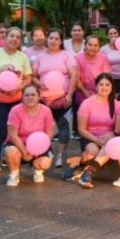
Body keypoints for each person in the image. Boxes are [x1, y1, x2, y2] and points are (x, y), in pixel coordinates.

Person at [0, 27, 33, 173]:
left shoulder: (23, 57)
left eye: (17, 37)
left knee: (15, 131)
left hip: (15, 100)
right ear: (6, 37)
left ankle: (13, 157)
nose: (14, 39)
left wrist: (20, 87)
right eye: (12, 36)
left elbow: (28, 77)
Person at [32, 28, 77, 167]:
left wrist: (69, 94)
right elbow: (33, 76)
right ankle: (48, 151)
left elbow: (74, 75)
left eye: (57, 38)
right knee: (43, 127)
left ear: (61, 41)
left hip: (62, 98)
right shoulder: (40, 57)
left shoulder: (66, 56)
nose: (53, 41)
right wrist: (40, 84)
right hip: (44, 99)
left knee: (63, 126)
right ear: (47, 38)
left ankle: (60, 156)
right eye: (51, 38)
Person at [75, 73, 120, 188]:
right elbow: (81, 129)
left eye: (107, 85)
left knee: (110, 146)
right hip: (90, 137)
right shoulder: (87, 103)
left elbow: (117, 129)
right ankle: (81, 164)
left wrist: (111, 134)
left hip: (108, 138)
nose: (104, 87)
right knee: (92, 152)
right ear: (96, 87)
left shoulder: (117, 105)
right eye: (101, 84)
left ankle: (87, 173)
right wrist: (96, 140)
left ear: (112, 87)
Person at [3, 84, 57, 187]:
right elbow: (12, 134)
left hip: (39, 144)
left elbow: (50, 132)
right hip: (19, 143)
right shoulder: (15, 110)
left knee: (45, 163)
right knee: (11, 152)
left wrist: (37, 150)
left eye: (33, 94)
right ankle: (14, 175)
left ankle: (38, 171)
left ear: (39, 97)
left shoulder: (46, 110)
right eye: (27, 95)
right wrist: (24, 151)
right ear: (22, 97)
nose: (30, 97)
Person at [74, 35, 111, 135]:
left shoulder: (103, 58)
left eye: (95, 45)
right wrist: (86, 93)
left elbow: (106, 78)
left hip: (101, 90)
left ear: (99, 47)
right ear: (85, 45)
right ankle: (83, 132)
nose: (92, 47)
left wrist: (98, 93)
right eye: (90, 44)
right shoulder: (78, 58)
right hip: (82, 91)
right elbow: (77, 80)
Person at [101, 26, 120, 98]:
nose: (113, 35)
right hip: (110, 78)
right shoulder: (103, 49)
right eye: (110, 34)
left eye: (115, 33)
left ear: (118, 34)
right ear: (107, 36)